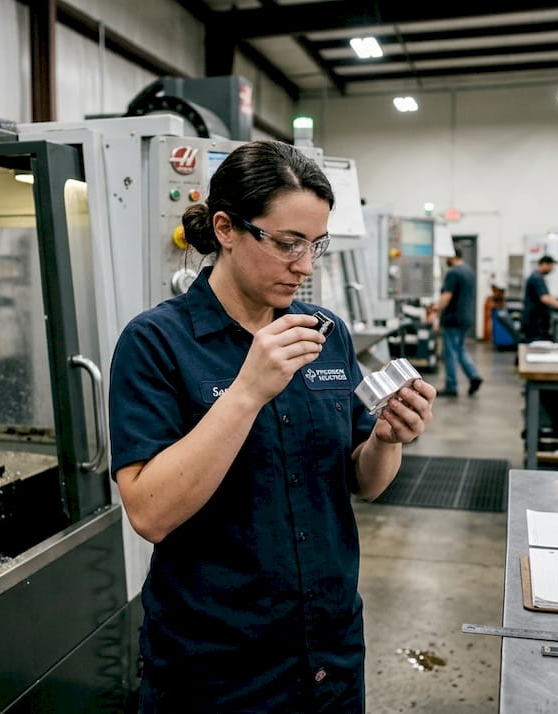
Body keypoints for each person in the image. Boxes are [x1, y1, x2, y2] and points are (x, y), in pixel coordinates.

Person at [108, 140, 436, 712]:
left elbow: (364, 481)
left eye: (316, 246)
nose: (305, 266)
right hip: (217, 669)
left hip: (328, 653)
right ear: (226, 229)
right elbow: (150, 513)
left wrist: (386, 439)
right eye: (287, 244)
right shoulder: (157, 342)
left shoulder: (324, 332)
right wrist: (247, 393)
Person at [435, 254, 482, 397]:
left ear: (452, 256)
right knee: (460, 349)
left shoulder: (453, 272)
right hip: (466, 318)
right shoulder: (469, 271)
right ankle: (474, 376)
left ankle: (451, 386)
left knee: (450, 353)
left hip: (453, 319)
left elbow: (447, 296)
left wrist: (435, 310)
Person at [522, 254, 558, 342]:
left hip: (535, 321)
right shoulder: (537, 278)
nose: (552, 269)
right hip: (535, 322)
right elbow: (545, 298)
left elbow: (547, 296)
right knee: (536, 348)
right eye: (551, 266)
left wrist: (557, 302)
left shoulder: (536, 276)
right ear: (544, 264)